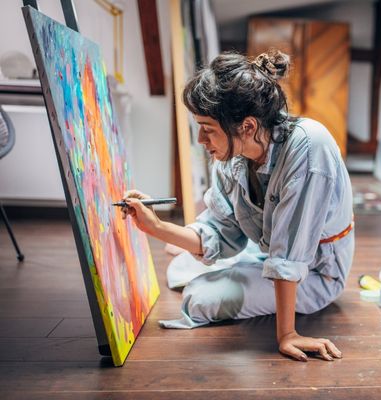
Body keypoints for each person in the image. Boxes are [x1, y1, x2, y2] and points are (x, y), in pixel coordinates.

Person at [121, 49, 354, 362]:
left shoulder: (310, 148)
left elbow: (288, 255)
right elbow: (220, 231)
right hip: (267, 250)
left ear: (247, 126)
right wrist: (156, 227)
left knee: (199, 298)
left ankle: (243, 271)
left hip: (315, 272)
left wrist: (287, 335)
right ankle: (241, 267)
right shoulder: (233, 158)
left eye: (208, 129)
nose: (202, 141)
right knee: (180, 268)